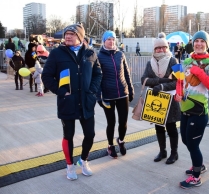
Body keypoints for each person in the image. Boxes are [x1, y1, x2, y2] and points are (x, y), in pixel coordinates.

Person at [42, 24, 102, 181]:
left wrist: (92, 90)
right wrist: (60, 91)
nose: (67, 36)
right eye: (66, 34)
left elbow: (98, 73)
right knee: (68, 135)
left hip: (86, 101)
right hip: (67, 101)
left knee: (90, 134)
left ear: (80, 37)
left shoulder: (90, 53)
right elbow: (46, 76)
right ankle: (69, 165)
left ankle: (83, 160)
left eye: (72, 34)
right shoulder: (56, 53)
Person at [175, 30, 209, 189]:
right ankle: (198, 165)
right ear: (192, 43)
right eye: (196, 41)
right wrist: (179, 93)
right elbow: (181, 81)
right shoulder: (187, 61)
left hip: (199, 111)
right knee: (186, 140)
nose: (199, 44)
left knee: (193, 145)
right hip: (185, 108)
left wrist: (199, 72)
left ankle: (196, 177)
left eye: (202, 41)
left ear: (207, 44)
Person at [141, 32, 180, 164]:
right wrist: (161, 80)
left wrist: (161, 86)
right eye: (158, 48)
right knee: (158, 126)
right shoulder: (150, 62)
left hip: (169, 98)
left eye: (163, 47)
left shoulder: (173, 60)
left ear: (167, 48)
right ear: (154, 49)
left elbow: (177, 81)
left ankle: (174, 153)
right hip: (156, 99)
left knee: (171, 127)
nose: (161, 50)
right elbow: (143, 80)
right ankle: (162, 151)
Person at [96, 30, 134, 159]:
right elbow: (97, 77)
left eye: (113, 39)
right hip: (108, 95)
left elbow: (127, 73)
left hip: (123, 93)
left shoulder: (120, 55)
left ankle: (121, 141)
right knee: (111, 122)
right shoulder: (99, 56)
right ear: (104, 41)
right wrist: (98, 96)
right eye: (108, 39)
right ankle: (110, 145)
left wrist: (131, 89)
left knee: (123, 122)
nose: (111, 42)